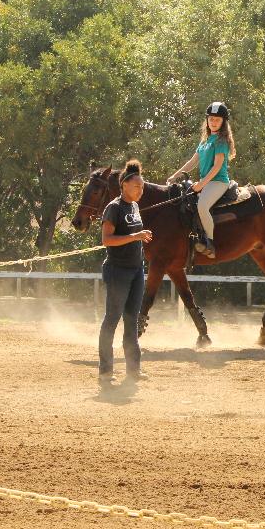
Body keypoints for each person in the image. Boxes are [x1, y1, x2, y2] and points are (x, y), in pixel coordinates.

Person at [98, 159, 153, 383]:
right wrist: (135, 236)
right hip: (118, 271)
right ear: (124, 185)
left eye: (142, 187)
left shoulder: (135, 207)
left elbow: (133, 237)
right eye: (137, 186)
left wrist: (140, 237)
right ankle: (105, 371)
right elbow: (107, 240)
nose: (141, 190)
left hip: (136, 270)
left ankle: (133, 370)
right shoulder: (114, 208)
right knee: (112, 319)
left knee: (132, 320)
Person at [167, 101, 236, 258]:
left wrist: (201, 184)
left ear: (223, 122)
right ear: (207, 120)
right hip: (206, 182)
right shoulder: (205, 140)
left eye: (217, 120)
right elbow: (192, 162)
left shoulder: (221, 141)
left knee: (203, 206)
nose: (213, 122)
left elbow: (217, 166)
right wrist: (174, 176)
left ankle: (210, 244)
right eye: (211, 119)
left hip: (218, 182)